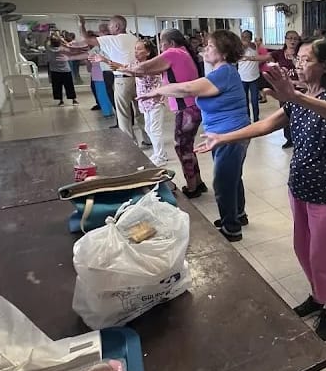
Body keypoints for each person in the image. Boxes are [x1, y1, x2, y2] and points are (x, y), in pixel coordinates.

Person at [195, 37, 326, 343]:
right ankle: (317, 296)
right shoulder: (299, 100)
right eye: (300, 58)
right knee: (303, 249)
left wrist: (293, 95)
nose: (299, 63)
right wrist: (223, 138)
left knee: (325, 255)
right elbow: (265, 125)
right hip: (301, 187)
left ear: (325, 66)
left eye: (307, 59)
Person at [140, 30, 250, 240]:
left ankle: (232, 228)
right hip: (228, 134)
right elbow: (190, 89)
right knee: (233, 177)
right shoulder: (221, 72)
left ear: (224, 52)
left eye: (210, 46)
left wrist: (158, 91)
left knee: (223, 182)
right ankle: (237, 215)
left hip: (230, 135)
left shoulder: (223, 72)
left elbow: (189, 88)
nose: (205, 49)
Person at [100, 29, 207, 196]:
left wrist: (120, 67)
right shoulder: (183, 52)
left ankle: (192, 187)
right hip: (191, 107)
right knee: (187, 147)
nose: (161, 48)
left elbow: (144, 68)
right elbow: (150, 70)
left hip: (186, 108)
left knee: (182, 148)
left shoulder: (173, 52)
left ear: (170, 43)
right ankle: (198, 183)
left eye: (162, 44)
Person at [80, 15, 146, 144]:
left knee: (123, 114)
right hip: (136, 79)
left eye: (110, 25)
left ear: (117, 26)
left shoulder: (113, 39)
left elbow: (86, 39)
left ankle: (130, 143)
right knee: (140, 111)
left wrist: (81, 25)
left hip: (122, 80)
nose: (109, 28)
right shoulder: (134, 38)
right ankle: (148, 139)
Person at [270, 30, 301, 149]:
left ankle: (299, 137)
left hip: (300, 89)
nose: (292, 41)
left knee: (299, 114)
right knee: (286, 115)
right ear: (285, 39)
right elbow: (264, 57)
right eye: (290, 38)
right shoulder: (279, 53)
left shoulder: (301, 53)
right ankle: (289, 139)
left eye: (295, 38)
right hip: (284, 90)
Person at [45, 34, 83, 106]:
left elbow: (46, 44)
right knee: (69, 86)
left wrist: (48, 39)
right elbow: (71, 47)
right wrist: (63, 40)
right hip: (66, 70)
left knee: (57, 86)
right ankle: (74, 100)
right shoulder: (64, 48)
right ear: (59, 42)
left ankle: (61, 101)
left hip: (54, 70)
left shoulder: (49, 49)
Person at [238, 30, 262, 122]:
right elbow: (242, 49)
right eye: (242, 36)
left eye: (246, 36)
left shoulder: (254, 45)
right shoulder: (239, 48)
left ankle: (256, 119)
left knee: (254, 100)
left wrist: (247, 43)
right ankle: (247, 118)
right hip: (242, 78)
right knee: (245, 101)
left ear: (251, 38)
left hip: (254, 78)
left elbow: (249, 46)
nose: (244, 38)